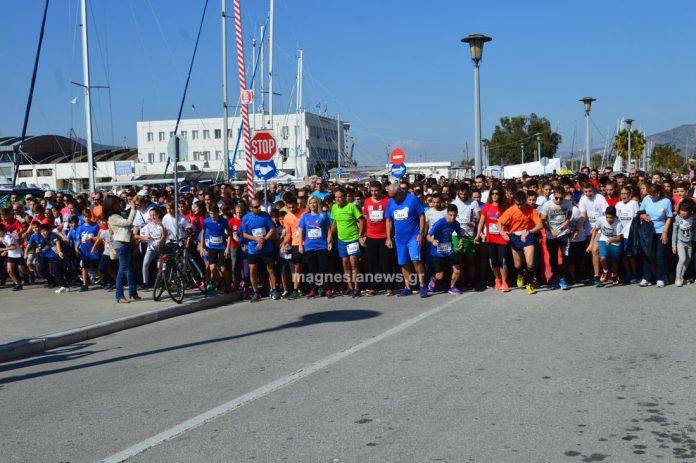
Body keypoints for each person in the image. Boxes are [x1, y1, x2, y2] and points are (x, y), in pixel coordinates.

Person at [385, 182, 427, 298]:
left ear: (400, 192)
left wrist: (421, 233)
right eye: (390, 196)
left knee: (416, 260)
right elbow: (388, 221)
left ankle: (422, 285)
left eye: (394, 196)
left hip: (413, 236)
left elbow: (422, 216)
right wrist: (388, 238)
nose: (392, 198)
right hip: (399, 238)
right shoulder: (390, 202)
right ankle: (407, 287)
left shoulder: (412, 199)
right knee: (403, 262)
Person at [497, 190, 543, 295]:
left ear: (525, 201)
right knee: (517, 265)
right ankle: (521, 274)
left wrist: (529, 232)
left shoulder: (531, 210)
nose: (519, 206)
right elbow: (499, 222)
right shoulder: (511, 210)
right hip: (515, 237)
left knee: (530, 263)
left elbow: (540, 225)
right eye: (517, 204)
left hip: (528, 236)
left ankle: (529, 284)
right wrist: (503, 233)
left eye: (521, 204)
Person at [328, 188, 365, 298]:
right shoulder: (334, 208)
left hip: (353, 238)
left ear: (345, 197)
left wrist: (360, 235)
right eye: (336, 197)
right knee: (345, 263)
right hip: (341, 240)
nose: (337, 199)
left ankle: (357, 288)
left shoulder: (351, 207)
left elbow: (362, 220)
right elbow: (334, 223)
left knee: (354, 262)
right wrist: (330, 236)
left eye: (340, 197)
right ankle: (350, 287)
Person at [104, 195, 140, 303]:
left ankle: (133, 293)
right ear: (111, 205)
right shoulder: (113, 217)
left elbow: (129, 222)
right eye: (116, 203)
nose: (119, 204)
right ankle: (119, 295)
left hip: (126, 242)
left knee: (129, 269)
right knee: (123, 270)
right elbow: (128, 223)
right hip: (121, 244)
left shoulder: (119, 214)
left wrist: (134, 207)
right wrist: (133, 209)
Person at [241, 199, 278, 302]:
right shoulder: (246, 218)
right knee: (253, 270)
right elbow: (244, 234)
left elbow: (272, 229)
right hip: (253, 249)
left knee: (270, 268)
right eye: (256, 207)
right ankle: (256, 292)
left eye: (259, 206)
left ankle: (274, 290)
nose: (259, 208)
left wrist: (264, 240)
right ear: (250, 208)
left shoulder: (265, 215)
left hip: (266, 247)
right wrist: (256, 239)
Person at [362, 181, 395, 296]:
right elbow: (365, 218)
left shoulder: (387, 201)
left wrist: (389, 237)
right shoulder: (367, 201)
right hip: (371, 236)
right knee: (373, 263)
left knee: (386, 263)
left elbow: (389, 220)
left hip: (384, 237)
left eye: (376, 190)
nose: (374, 193)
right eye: (372, 191)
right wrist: (363, 235)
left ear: (381, 190)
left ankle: (389, 287)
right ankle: (374, 287)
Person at [475, 184, 510, 292]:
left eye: (497, 193)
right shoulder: (486, 207)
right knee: (492, 261)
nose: (494, 195)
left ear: (500, 195)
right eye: (492, 193)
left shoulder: (505, 207)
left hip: (502, 238)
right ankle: (497, 278)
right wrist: (479, 234)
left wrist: (505, 225)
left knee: (502, 260)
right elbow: (481, 222)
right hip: (490, 239)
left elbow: (510, 221)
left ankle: (504, 282)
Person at [638, 184, 673, 288]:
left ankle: (660, 278)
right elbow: (640, 212)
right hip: (647, 231)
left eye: (652, 194)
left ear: (658, 193)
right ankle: (647, 277)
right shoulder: (646, 199)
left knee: (660, 255)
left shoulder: (666, 201)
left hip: (660, 231)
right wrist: (643, 216)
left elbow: (669, 217)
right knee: (647, 254)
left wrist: (665, 232)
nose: (651, 196)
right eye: (649, 194)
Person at [539, 187, 573, 290]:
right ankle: (556, 276)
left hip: (564, 233)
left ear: (564, 196)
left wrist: (567, 221)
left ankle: (562, 277)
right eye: (557, 198)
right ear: (553, 195)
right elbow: (542, 221)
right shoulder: (547, 205)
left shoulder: (567, 202)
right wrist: (551, 231)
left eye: (561, 198)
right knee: (553, 258)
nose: (559, 200)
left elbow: (570, 213)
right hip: (552, 235)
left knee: (566, 256)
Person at [298, 195, 332, 297]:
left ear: (318, 204)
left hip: (322, 245)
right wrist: (300, 245)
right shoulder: (305, 216)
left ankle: (327, 288)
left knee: (324, 268)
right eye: (310, 203)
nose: (313, 205)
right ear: (308, 205)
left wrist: (329, 241)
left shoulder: (323, 215)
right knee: (312, 269)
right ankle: (313, 289)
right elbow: (301, 231)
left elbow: (328, 229)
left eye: (314, 203)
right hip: (309, 246)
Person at [427, 204, 464, 294]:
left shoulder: (456, 224)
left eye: (454, 215)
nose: (452, 218)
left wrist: (460, 242)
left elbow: (459, 235)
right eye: (450, 215)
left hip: (449, 250)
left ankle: (452, 287)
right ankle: (433, 278)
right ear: (447, 213)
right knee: (440, 276)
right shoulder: (439, 223)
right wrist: (432, 241)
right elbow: (427, 235)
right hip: (437, 251)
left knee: (457, 270)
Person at [578, 181, 609, 286]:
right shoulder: (583, 199)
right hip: (588, 230)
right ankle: (597, 272)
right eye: (585, 191)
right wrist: (577, 229)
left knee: (595, 249)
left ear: (594, 189)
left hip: (600, 229)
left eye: (590, 191)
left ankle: (597, 275)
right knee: (590, 252)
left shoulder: (600, 198)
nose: (588, 194)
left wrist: (598, 227)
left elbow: (605, 214)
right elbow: (582, 215)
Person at [451, 183, 480, 290]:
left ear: (468, 192)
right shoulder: (454, 203)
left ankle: (471, 281)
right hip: (456, 235)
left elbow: (479, 217)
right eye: (461, 194)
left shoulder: (473, 202)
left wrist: (474, 222)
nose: (463, 196)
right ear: (458, 193)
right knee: (459, 260)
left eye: (465, 194)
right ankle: (462, 281)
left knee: (470, 260)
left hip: (469, 235)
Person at [590, 206, 623, 286]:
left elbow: (619, 238)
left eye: (611, 218)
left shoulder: (618, 223)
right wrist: (591, 242)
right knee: (602, 257)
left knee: (615, 263)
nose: (609, 219)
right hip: (603, 240)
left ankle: (614, 275)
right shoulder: (600, 220)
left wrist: (611, 240)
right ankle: (605, 270)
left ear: (615, 216)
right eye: (607, 217)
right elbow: (595, 230)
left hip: (615, 243)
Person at [201, 204, 231, 292]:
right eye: (211, 213)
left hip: (222, 247)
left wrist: (227, 248)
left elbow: (229, 235)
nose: (213, 216)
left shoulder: (223, 221)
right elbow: (203, 233)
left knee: (222, 269)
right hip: (212, 247)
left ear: (218, 213)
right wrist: (202, 247)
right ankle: (219, 281)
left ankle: (228, 284)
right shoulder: (206, 221)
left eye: (214, 214)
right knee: (212, 268)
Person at [615, 186, 640, 283]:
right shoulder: (618, 204)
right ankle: (627, 274)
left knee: (631, 256)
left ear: (630, 195)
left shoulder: (633, 203)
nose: (623, 196)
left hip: (630, 234)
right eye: (622, 194)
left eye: (625, 193)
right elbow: (616, 219)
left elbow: (637, 218)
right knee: (624, 256)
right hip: (620, 234)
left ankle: (635, 274)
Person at [138, 208, 167, 290]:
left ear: (158, 215)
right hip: (151, 248)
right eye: (151, 215)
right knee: (145, 263)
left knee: (160, 265)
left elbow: (164, 235)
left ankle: (162, 282)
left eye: (154, 215)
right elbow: (144, 237)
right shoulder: (148, 226)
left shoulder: (162, 223)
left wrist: (160, 242)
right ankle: (145, 282)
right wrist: (144, 238)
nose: (153, 217)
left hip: (161, 248)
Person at [75, 209, 102, 292]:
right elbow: (79, 239)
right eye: (85, 217)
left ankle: (103, 281)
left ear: (90, 216)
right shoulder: (80, 228)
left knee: (98, 266)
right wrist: (76, 247)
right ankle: (85, 284)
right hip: (84, 250)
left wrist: (92, 239)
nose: (87, 218)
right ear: (83, 217)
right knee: (84, 267)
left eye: (88, 217)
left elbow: (99, 237)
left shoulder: (95, 226)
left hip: (94, 249)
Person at [672, 199, 693, 287]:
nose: (683, 212)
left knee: (688, 260)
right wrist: (673, 245)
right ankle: (677, 278)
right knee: (682, 259)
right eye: (682, 210)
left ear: (689, 211)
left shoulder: (692, 217)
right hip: (680, 242)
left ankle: (681, 277)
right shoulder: (677, 218)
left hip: (689, 243)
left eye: (685, 210)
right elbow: (674, 232)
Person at [0, 223, 23, 290]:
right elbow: (6, 244)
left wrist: (3, 249)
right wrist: (6, 251)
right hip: (11, 255)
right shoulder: (1, 237)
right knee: (9, 271)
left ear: (4, 231)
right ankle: (18, 284)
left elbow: (14, 247)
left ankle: (31, 273)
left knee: (22, 269)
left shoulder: (8, 237)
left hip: (18, 254)